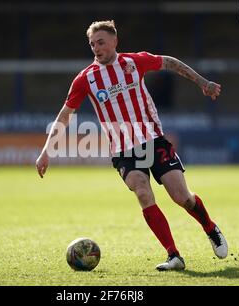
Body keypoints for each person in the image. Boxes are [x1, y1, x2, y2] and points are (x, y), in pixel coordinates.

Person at [35, 20, 227, 271]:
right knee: (143, 191)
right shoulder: (85, 79)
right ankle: (174, 256)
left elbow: (169, 62)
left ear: (115, 41)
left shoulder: (134, 63)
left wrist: (202, 82)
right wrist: (46, 150)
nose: (96, 48)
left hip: (153, 139)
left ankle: (210, 228)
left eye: (101, 42)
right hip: (124, 151)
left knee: (182, 197)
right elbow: (65, 114)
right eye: (92, 44)